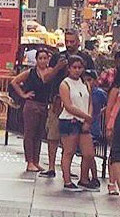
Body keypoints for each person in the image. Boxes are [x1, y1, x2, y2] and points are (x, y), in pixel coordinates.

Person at [40, 30, 94, 178]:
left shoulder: (85, 57)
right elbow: (46, 78)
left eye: (72, 41)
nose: (69, 45)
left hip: (78, 102)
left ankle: (68, 169)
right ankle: (51, 166)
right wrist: (58, 67)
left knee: (72, 141)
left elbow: (91, 80)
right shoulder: (58, 56)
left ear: (78, 41)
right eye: (67, 41)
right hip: (58, 101)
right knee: (53, 134)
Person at [10, 49, 57, 172]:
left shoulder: (50, 72)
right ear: (36, 60)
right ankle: (29, 161)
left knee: (39, 134)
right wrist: (23, 94)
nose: (43, 61)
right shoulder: (30, 72)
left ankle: (36, 160)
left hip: (44, 104)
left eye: (45, 58)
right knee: (29, 133)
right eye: (40, 58)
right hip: (32, 105)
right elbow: (14, 82)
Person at [58, 56, 97, 192]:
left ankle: (84, 178)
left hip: (83, 121)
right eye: (74, 67)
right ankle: (67, 180)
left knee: (89, 153)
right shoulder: (65, 84)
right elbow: (68, 106)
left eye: (79, 67)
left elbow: (90, 102)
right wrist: (85, 116)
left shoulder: (85, 83)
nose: (77, 70)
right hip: (69, 120)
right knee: (69, 152)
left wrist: (88, 118)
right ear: (69, 69)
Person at [84, 69, 106, 189]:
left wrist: (101, 113)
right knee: (86, 154)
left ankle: (94, 177)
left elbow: (108, 103)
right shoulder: (82, 91)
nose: (87, 82)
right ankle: (87, 175)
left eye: (90, 80)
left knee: (90, 153)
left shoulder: (99, 93)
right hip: (83, 125)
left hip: (94, 127)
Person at [106, 74, 120, 196]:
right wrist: (109, 126)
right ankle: (112, 182)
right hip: (116, 123)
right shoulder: (116, 90)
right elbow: (111, 109)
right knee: (115, 154)